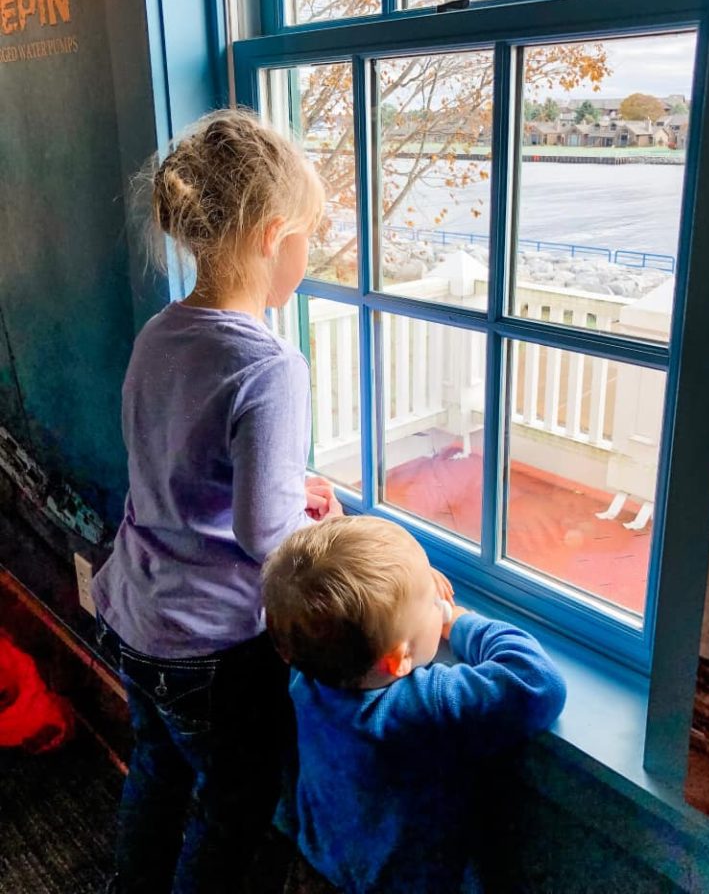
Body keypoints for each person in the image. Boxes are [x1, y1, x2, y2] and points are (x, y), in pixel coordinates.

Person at [92, 109, 341, 894]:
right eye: (308, 233)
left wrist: (278, 485)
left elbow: (173, 465)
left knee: (157, 774)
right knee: (231, 809)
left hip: (134, 613)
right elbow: (265, 533)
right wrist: (314, 517)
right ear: (274, 236)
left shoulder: (161, 333)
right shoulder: (270, 366)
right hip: (212, 648)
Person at [262, 515, 567, 894]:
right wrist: (459, 622)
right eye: (431, 602)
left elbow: (324, 600)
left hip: (318, 870)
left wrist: (409, 588)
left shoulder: (307, 675)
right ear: (397, 659)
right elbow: (538, 682)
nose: (438, 602)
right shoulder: (422, 706)